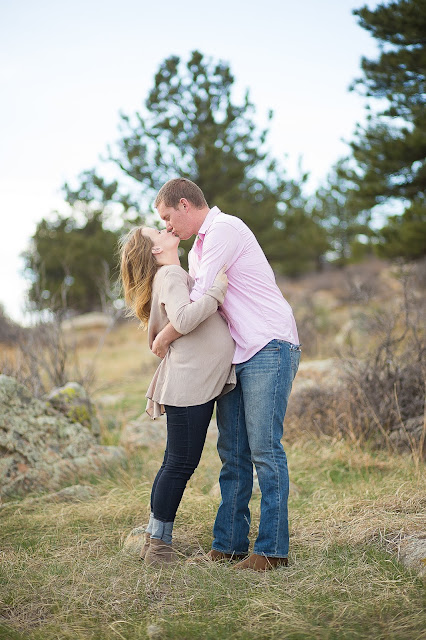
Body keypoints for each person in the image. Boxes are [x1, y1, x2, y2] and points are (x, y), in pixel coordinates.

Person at [152, 178, 301, 571]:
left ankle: (272, 551)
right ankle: (229, 544)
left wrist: (165, 335)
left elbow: (199, 301)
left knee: (265, 451)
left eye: (167, 217)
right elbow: (204, 308)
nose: (167, 226)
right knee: (233, 452)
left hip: (268, 345)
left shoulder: (223, 229)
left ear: (184, 205)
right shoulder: (198, 249)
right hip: (238, 355)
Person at [119, 225, 235, 567]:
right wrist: (217, 291)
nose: (166, 228)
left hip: (193, 380)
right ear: (156, 250)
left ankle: (155, 541)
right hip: (189, 383)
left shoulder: (170, 274)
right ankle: (158, 547)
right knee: (179, 464)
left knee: (176, 463)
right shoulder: (170, 274)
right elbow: (183, 319)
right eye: (158, 230)